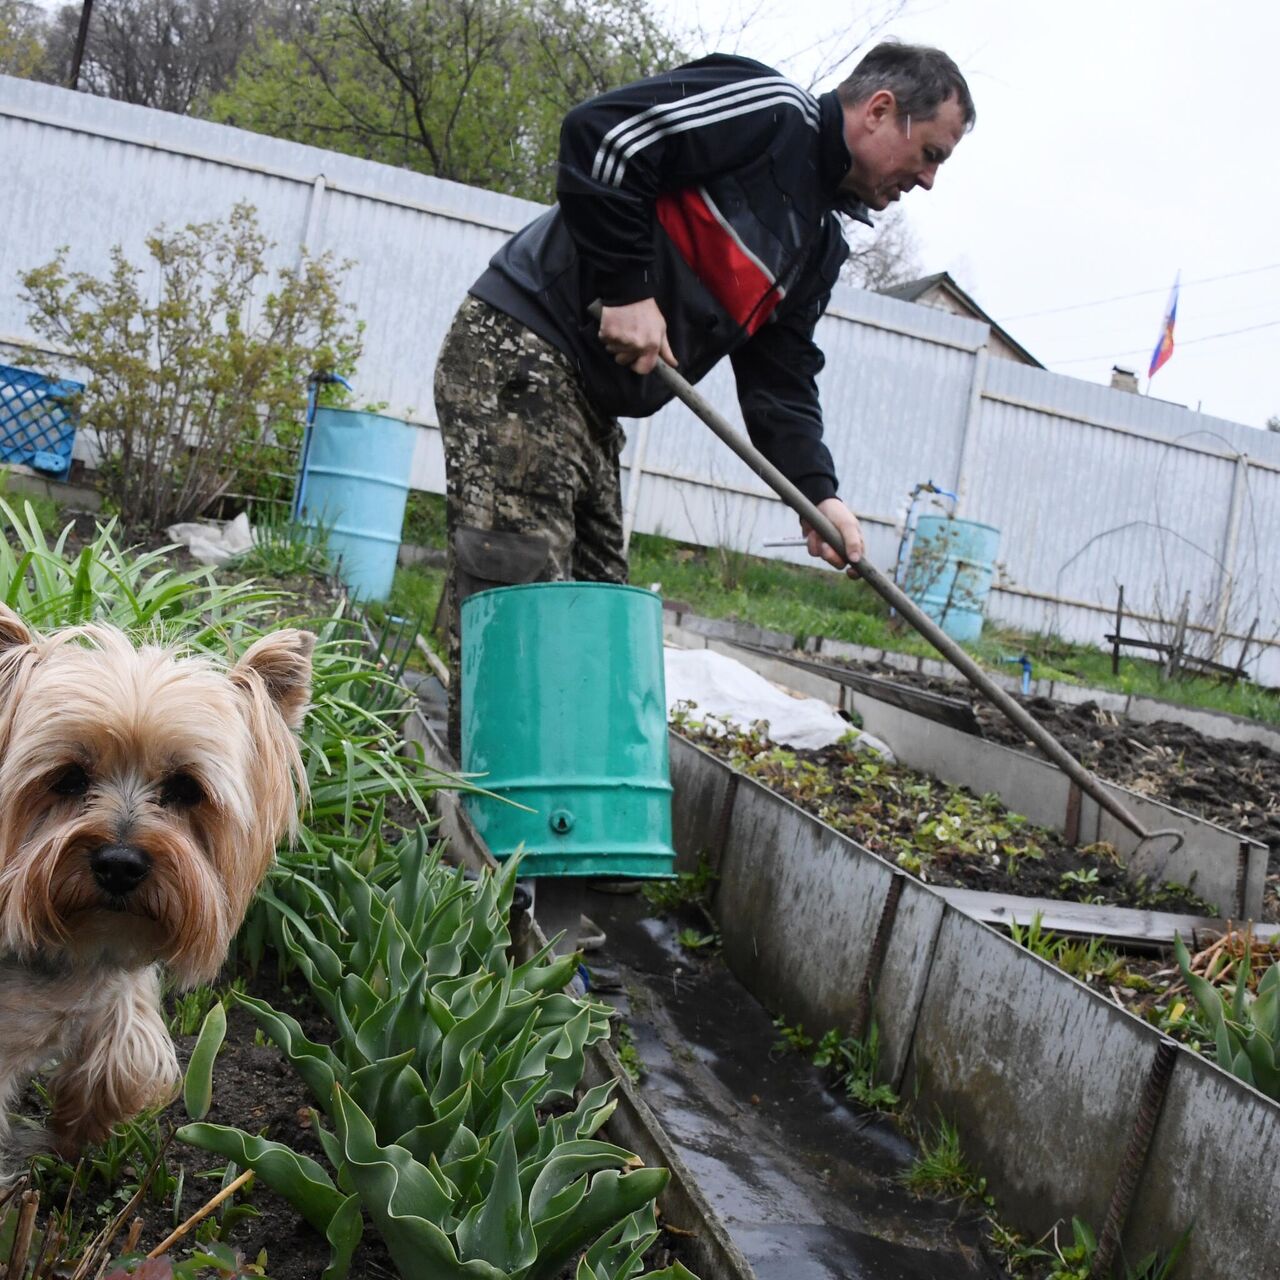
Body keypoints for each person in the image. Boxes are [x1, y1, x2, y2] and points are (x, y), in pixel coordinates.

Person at [434, 41, 974, 752]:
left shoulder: (816, 243)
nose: (929, 180)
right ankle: (486, 833)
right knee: (524, 605)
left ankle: (571, 837)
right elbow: (602, 136)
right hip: (525, 348)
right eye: (931, 153)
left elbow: (782, 375)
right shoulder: (767, 115)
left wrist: (817, 492)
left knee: (599, 619)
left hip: (589, 404)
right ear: (881, 111)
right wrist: (627, 288)